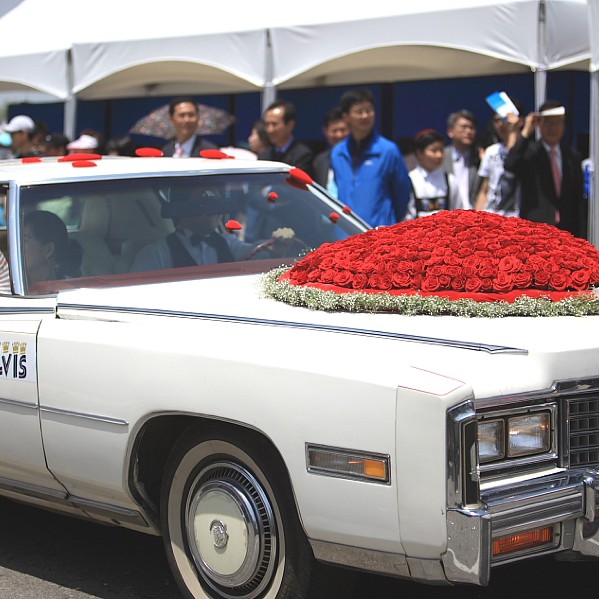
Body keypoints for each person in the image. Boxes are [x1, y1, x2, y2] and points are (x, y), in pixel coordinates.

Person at [503, 100, 586, 238]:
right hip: (537, 229)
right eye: (548, 123)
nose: (553, 128)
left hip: (568, 231)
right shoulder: (530, 153)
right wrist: (525, 132)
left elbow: (578, 200)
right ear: (539, 124)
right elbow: (510, 164)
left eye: (558, 123)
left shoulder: (572, 157)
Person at [330, 88, 411, 227]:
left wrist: (388, 223)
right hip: (347, 232)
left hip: (379, 232)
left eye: (369, 110)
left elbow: (402, 194)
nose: (365, 116)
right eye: (359, 111)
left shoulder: (388, 151)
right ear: (346, 117)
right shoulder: (338, 153)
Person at [130, 184, 255, 272]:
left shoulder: (230, 244)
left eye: (217, 202)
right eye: (205, 198)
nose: (215, 209)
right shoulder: (156, 255)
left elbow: (259, 253)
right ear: (183, 207)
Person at [404, 129, 467, 220]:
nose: (439, 155)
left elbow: (458, 211)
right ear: (420, 153)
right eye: (434, 150)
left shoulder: (450, 180)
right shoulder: (410, 180)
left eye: (441, 150)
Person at [474, 104, 524, 216]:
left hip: (516, 217)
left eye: (506, 119)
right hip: (491, 215)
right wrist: (477, 216)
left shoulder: (527, 150)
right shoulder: (491, 151)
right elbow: (484, 189)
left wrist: (513, 132)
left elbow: (512, 160)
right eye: (497, 120)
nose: (501, 124)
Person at [22, 210, 83, 287]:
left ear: (48, 250)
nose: (17, 248)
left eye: (24, 241)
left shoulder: (71, 291)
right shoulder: (10, 286)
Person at [257, 100, 314, 174]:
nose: (270, 130)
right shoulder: (264, 156)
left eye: (274, 124)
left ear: (290, 125)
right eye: (267, 124)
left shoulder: (302, 155)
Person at [442, 109, 481, 207]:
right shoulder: (441, 157)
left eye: (471, 128)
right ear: (450, 131)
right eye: (464, 127)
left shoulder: (480, 158)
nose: (468, 131)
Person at [312, 107, 349, 194]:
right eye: (334, 131)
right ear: (325, 131)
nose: (339, 135)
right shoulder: (320, 162)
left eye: (343, 130)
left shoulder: (358, 159)